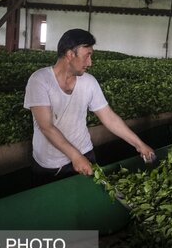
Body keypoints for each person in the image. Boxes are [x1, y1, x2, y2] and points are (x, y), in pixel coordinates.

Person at [24, 28, 156, 186]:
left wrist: (139, 144)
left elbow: (109, 118)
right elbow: (46, 126)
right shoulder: (40, 80)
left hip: (85, 153)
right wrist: (75, 157)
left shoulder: (89, 82)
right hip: (51, 164)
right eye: (87, 55)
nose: (90, 63)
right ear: (70, 54)